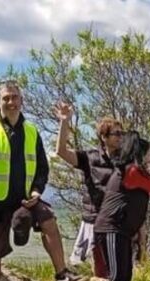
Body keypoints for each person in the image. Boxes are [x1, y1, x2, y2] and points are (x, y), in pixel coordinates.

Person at [0, 81, 82, 281]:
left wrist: (37, 191)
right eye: (6, 98)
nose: (10, 102)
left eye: (14, 97)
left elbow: (42, 169)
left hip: (24, 200)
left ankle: (61, 274)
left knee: (48, 219)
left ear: (21, 101)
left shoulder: (31, 130)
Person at [91, 132, 150, 281]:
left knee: (125, 274)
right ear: (140, 152)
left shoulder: (133, 170)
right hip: (112, 228)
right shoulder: (133, 171)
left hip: (122, 231)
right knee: (116, 275)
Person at [54, 101, 124, 266]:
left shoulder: (126, 161)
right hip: (92, 221)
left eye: (122, 134)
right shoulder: (90, 157)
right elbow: (61, 151)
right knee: (86, 267)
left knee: (114, 269)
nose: (121, 137)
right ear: (104, 136)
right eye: (117, 134)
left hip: (116, 223)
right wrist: (65, 121)